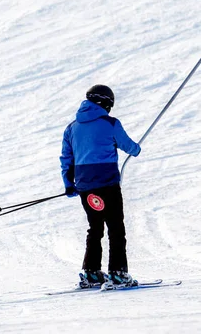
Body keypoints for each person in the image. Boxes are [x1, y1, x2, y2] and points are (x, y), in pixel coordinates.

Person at [60, 84, 141, 288]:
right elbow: (129, 147)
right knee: (115, 227)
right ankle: (118, 273)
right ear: (106, 103)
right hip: (107, 183)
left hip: (85, 185)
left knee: (95, 228)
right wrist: (137, 148)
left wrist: (69, 184)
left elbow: (66, 159)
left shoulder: (71, 127)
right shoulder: (110, 123)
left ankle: (91, 272)